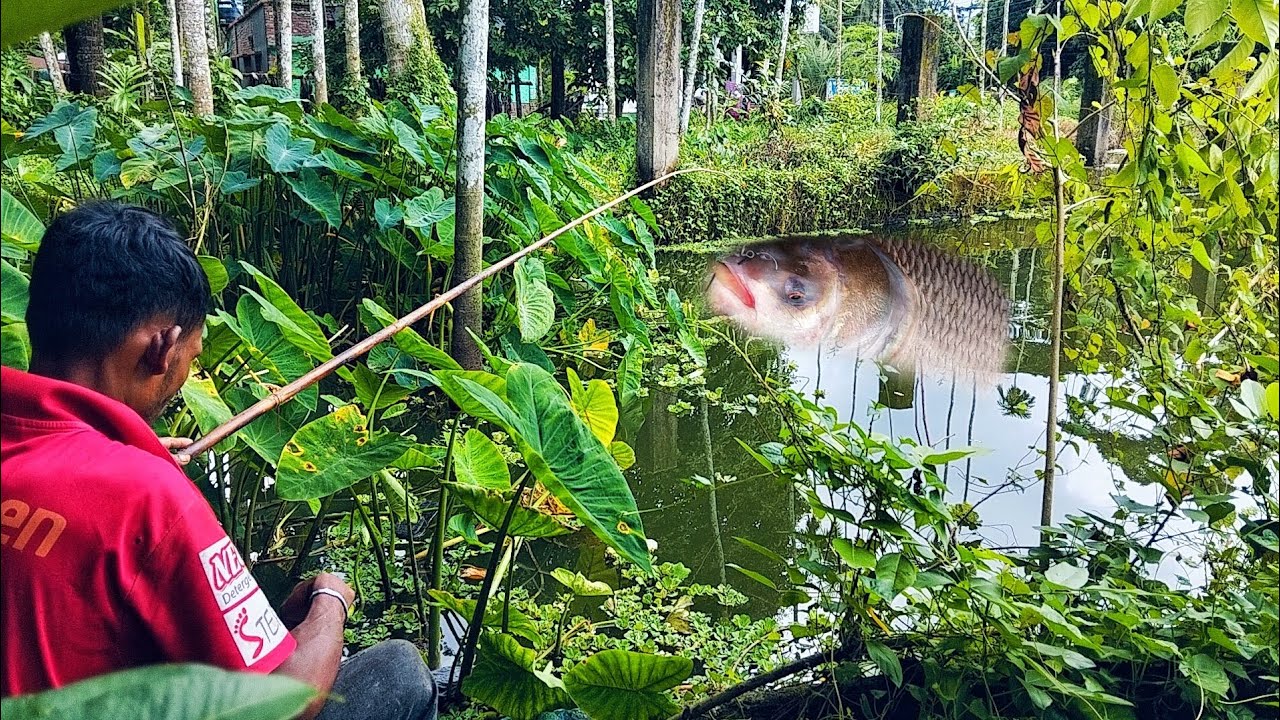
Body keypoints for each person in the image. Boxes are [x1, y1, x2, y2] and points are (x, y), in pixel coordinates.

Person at [0, 202, 437, 720]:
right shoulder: (144, 497)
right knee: (401, 672)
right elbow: (282, 703)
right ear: (162, 345)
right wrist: (330, 601)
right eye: (193, 354)